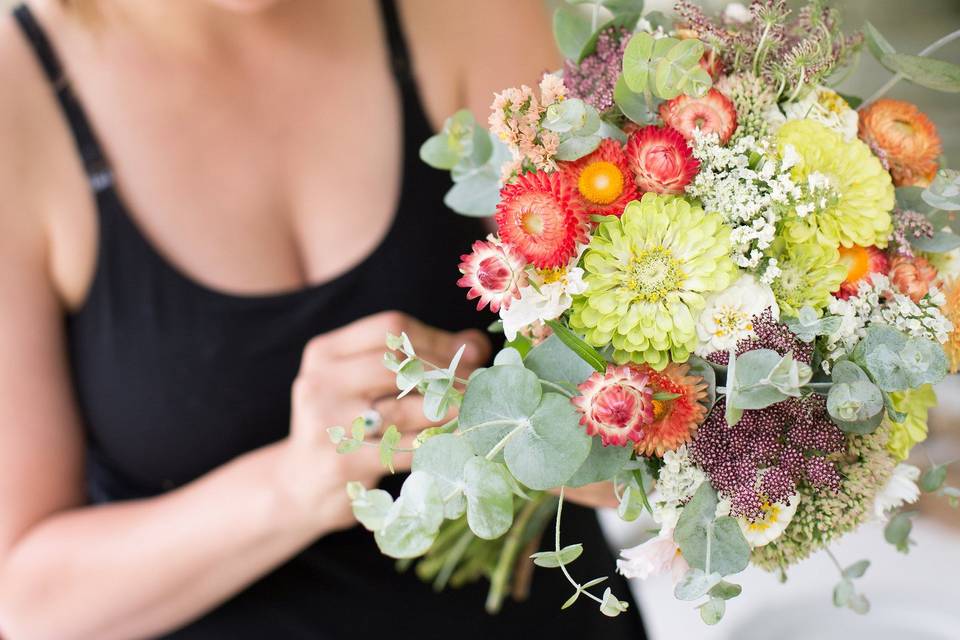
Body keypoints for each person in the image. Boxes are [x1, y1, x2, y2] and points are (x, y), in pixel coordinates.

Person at [0, 1, 646, 638]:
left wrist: (582, 444)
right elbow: (24, 602)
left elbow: (656, 387)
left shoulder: (461, 14)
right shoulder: (18, 96)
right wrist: (293, 486)